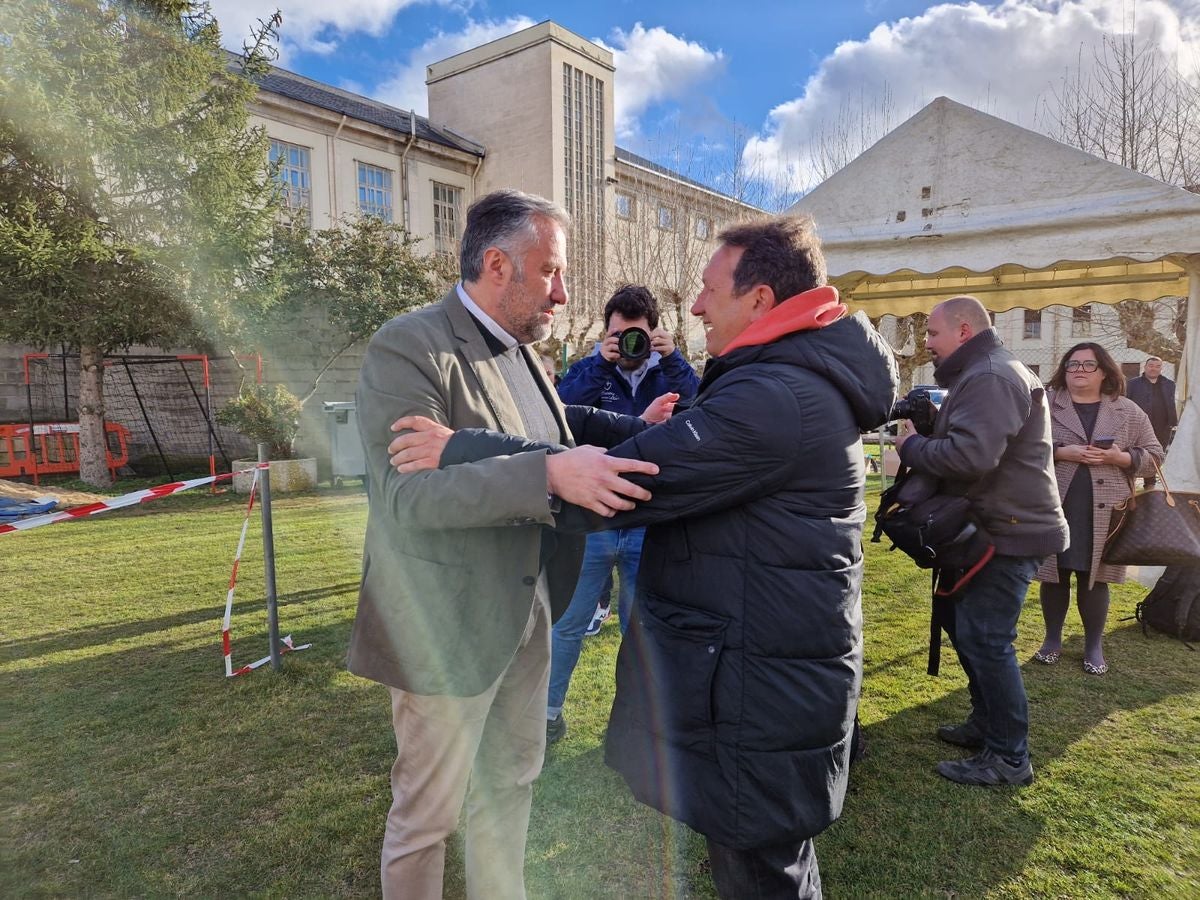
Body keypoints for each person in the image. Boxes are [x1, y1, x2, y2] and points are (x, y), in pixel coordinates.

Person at [389, 215, 899, 898]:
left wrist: (464, 447)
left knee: (762, 872)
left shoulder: (777, 394)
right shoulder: (788, 376)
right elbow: (608, 430)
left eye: (708, 289)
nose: (693, 306)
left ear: (760, 302)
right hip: (762, 668)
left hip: (759, 682)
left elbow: (627, 476)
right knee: (764, 861)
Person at [349, 189, 659, 900]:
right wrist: (547, 473)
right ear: (497, 263)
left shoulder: (524, 354)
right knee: (428, 815)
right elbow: (407, 498)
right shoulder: (411, 345)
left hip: (530, 613)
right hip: (445, 625)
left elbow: (550, 431)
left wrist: (635, 426)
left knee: (514, 781)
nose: (564, 291)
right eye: (550, 271)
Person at [895, 295, 1067, 787]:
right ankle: (987, 724)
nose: (927, 344)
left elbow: (971, 457)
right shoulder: (987, 371)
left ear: (964, 331)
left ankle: (1010, 758)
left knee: (987, 639)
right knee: (966, 628)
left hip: (1009, 530)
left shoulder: (991, 375)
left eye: (932, 334)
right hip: (997, 524)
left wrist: (911, 446)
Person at [546, 284, 701, 742]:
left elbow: (705, 406)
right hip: (592, 520)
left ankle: (637, 726)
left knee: (643, 630)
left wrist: (672, 360)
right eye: (617, 334)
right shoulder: (593, 370)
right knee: (568, 623)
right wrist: (601, 362)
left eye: (637, 335)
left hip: (647, 521)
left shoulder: (669, 372)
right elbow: (561, 413)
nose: (629, 344)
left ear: (653, 332)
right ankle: (548, 714)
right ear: (606, 332)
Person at [1033, 343, 1162, 675]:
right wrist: (1061, 453)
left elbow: (1155, 458)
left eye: (1088, 365)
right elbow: (1019, 444)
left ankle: (1093, 645)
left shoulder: (1128, 411)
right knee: (1054, 574)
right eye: (1072, 364)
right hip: (1054, 504)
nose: (1078, 370)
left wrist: (1119, 458)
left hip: (1107, 511)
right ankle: (1052, 640)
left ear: (1105, 371)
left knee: (1095, 578)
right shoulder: (1044, 404)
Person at [1126, 355, 1177, 487]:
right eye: (1151, 366)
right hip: (1137, 427)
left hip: (1162, 427)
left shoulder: (1169, 384)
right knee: (1135, 455)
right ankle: (1129, 485)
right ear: (1145, 367)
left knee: (1155, 456)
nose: (1154, 369)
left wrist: (1173, 423)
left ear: (1161, 368)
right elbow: (1125, 403)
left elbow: (1172, 404)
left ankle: (1150, 487)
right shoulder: (1132, 384)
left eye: (1157, 366)